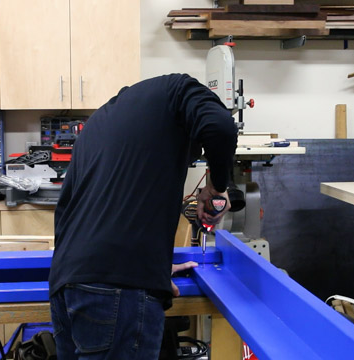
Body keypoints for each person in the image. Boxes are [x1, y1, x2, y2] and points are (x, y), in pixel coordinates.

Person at [48, 73, 238, 359]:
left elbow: (64, 214)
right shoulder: (179, 88)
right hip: (117, 292)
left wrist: (151, 268)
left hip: (65, 285)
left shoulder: (98, 122)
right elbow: (222, 127)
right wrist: (217, 185)